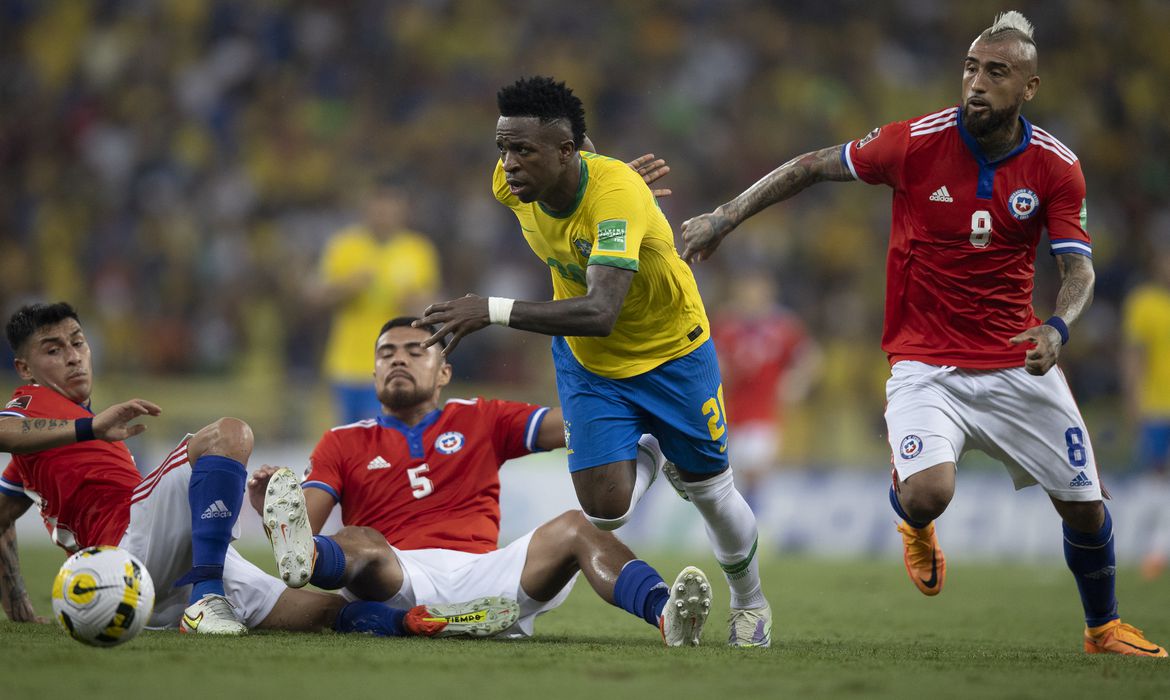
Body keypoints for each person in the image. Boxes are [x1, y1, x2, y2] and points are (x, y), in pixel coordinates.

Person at [678, 11, 1165, 657]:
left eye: (996, 72)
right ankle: (914, 522)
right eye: (970, 68)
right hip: (924, 362)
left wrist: (1057, 328)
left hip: (1019, 361)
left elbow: (1078, 269)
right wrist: (726, 215)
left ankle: (1103, 630)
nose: (976, 83)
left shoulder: (1056, 166)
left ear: (1029, 87)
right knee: (929, 493)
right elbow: (812, 165)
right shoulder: (913, 142)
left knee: (1084, 507)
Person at [416, 76, 771, 648]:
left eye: (523, 150)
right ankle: (655, 449)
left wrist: (493, 309)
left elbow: (602, 309)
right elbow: (580, 190)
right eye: (503, 148)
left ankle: (751, 603)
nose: (508, 164)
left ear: (565, 152)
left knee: (712, 494)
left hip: (671, 352)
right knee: (605, 512)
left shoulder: (616, 196)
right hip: (590, 363)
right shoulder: (515, 186)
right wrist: (605, 176)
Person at [0, 302, 518, 640]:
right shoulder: (34, 403)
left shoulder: (45, 444)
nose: (73, 357)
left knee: (320, 614)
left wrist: (17, 602)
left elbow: (4, 513)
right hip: (126, 559)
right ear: (25, 368)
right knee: (228, 434)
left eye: (77, 342)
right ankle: (207, 598)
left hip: (153, 586)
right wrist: (91, 431)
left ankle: (423, 622)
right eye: (53, 349)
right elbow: (5, 432)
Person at [248, 317, 714, 646]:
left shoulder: (481, 417)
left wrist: (639, 415)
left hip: (490, 576)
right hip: (396, 575)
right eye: (386, 354)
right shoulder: (342, 441)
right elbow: (301, 531)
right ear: (373, 373)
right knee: (358, 540)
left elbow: (574, 424)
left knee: (579, 526)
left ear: (444, 371)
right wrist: (273, 512)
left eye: (415, 351)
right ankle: (367, 582)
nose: (398, 361)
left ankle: (665, 613)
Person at [316, 175, 440, 425]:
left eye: (391, 206)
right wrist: (348, 286)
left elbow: (433, 305)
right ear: (366, 207)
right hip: (347, 363)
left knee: (382, 442)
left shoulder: (417, 249)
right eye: (378, 205)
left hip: (396, 366)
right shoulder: (345, 246)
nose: (383, 213)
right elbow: (317, 297)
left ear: (403, 209)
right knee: (347, 441)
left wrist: (414, 301)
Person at [711, 270, 820, 508]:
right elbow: (709, 358)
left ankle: (754, 520)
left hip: (765, 412)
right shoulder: (726, 324)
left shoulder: (783, 326)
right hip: (729, 411)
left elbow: (809, 356)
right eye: (748, 290)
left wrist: (796, 380)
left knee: (755, 468)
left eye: (757, 290)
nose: (752, 296)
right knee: (733, 475)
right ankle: (743, 522)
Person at [1120, 248, 1170, 579]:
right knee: (1154, 478)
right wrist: (1133, 398)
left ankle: (1156, 551)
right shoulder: (1144, 303)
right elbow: (1134, 354)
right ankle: (1136, 548)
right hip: (1156, 406)